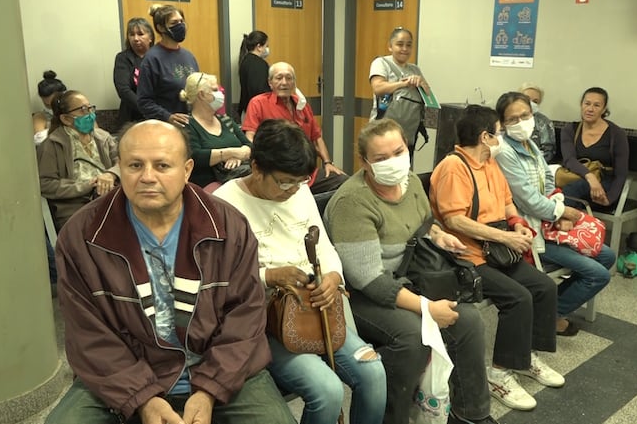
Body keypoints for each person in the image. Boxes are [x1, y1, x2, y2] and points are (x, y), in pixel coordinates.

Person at [44, 120, 295, 424]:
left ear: (187, 170)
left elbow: (245, 318)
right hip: (124, 369)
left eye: (162, 165)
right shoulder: (82, 237)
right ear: (119, 167)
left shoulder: (228, 226)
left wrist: (209, 390)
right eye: (135, 165)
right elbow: (89, 336)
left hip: (217, 365)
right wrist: (143, 399)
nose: (147, 177)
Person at [325, 118, 499, 424]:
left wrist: (438, 235)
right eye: (381, 158)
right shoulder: (352, 202)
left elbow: (423, 223)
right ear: (365, 163)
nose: (393, 162)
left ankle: (471, 414)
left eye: (398, 151)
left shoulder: (411, 182)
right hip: (362, 296)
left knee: (468, 319)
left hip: (410, 278)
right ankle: (390, 418)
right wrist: (427, 309)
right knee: (413, 337)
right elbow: (369, 280)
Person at [214, 119, 386, 424]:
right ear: (256, 167)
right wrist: (268, 276)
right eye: (283, 182)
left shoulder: (298, 192)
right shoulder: (224, 205)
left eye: (301, 181)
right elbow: (219, 282)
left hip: (314, 309)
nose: (292, 190)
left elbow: (324, 247)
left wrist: (333, 276)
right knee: (327, 389)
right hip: (264, 320)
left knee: (373, 372)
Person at [429, 106, 563, 412]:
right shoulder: (454, 167)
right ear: (485, 136)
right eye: (498, 132)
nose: (501, 137)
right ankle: (500, 373)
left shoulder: (489, 163)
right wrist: (505, 237)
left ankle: (525, 357)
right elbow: (454, 221)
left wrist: (517, 224)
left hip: (497, 249)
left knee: (543, 287)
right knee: (518, 298)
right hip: (467, 257)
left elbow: (506, 204)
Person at [493, 95, 615, 336]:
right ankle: (549, 316)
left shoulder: (530, 144)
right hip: (530, 232)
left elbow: (548, 181)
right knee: (598, 274)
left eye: (525, 116)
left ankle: (546, 310)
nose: (521, 122)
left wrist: (559, 210)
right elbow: (526, 199)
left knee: (607, 256)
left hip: (549, 223)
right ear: (503, 123)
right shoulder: (504, 151)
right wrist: (561, 212)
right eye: (513, 119)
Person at [243, 62, 347, 194]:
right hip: (279, 175)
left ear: (294, 82)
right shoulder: (258, 103)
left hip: (307, 173)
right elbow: (250, 138)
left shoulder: (302, 105)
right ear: (270, 82)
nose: (284, 82)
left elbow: (316, 138)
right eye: (279, 78)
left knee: (344, 183)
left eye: (289, 78)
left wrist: (327, 163)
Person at [37, 90, 119, 231]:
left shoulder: (104, 138)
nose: (90, 114)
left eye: (90, 108)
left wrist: (111, 174)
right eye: (83, 110)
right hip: (76, 210)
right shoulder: (52, 145)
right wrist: (85, 186)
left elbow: (123, 163)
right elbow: (45, 184)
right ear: (66, 119)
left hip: (112, 201)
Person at [559, 87, 629, 208]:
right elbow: (569, 159)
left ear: (604, 109)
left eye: (596, 105)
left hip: (604, 183)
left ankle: (566, 224)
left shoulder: (616, 134)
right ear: (581, 105)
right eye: (587, 103)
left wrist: (610, 198)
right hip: (575, 176)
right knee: (553, 191)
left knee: (570, 191)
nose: (590, 109)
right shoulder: (570, 129)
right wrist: (590, 177)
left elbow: (621, 173)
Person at [180, 72, 252, 188]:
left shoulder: (226, 120)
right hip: (207, 187)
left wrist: (238, 155)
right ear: (202, 95)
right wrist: (231, 153)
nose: (221, 94)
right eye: (215, 90)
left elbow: (249, 145)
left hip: (238, 180)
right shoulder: (187, 125)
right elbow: (196, 156)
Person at [369, 27, 430, 159]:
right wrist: (404, 84)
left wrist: (421, 83)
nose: (404, 49)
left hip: (408, 135)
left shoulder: (415, 69)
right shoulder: (381, 63)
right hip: (382, 132)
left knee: (404, 174)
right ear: (390, 47)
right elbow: (378, 88)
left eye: (409, 45)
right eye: (400, 44)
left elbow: (429, 97)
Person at [137, 4, 199, 128]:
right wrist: (167, 116)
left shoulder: (189, 56)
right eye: (174, 22)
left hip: (191, 127)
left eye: (182, 21)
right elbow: (144, 101)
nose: (180, 25)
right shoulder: (152, 59)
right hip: (165, 129)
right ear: (161, 28)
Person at [113, 17, 154, 129]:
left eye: (140, 34)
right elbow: (123, 90)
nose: (135, 38)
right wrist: (148, 109)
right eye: (131, 34)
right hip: (131, 119)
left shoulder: (158, 57)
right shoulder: (123, 58)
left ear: (150, 37)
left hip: (159, 117)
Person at [519, 82, 557, 163]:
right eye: (527, 99)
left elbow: (548, 152)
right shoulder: (507, 118)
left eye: (535, 101)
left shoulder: (544, 122)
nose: (531, 103)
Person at [237, 30, 271, 121]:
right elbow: (259, 90)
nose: (267, 49)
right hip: (256, 112)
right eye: (266, 46)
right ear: (259, 46)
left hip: (248, 109)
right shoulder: (258, 64)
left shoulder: (246, 61)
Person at [33, 70, 67, 145]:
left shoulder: (76, 111)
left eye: (53, 103)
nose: (51, 108)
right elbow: (39, 141)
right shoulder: (40, 117)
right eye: (46, 104)